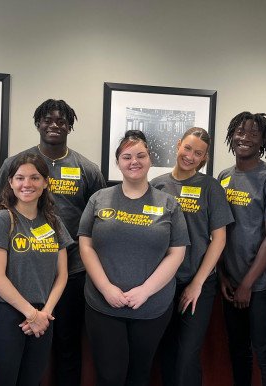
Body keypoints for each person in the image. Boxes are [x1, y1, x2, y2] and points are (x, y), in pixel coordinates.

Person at [0, 99, 105, 385]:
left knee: (66, 345)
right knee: (20, 352)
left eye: (61, 121)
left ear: (70, 125)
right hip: (22, 272)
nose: (54, 125)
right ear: (38, 124)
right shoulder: (16, 163)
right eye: (47, 120)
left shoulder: (87, 169)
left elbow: (98, 219)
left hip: (71, 272)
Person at [79, 130, 189, 385]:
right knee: (110, 376)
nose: (134, 161)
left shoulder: (168, 204)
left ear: (150, 159)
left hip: (151, 307)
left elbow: (176, 252)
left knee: (140, 376)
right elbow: (86, 245)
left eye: (141, 155)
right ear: (118, 162)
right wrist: (106, 288)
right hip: (103, 305)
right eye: (127, 156)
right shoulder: (99, 198)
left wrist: (145, 291)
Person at [152, 127, 233, 386]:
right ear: (178, 145)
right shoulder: (157, 185)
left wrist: (197, 283)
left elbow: (219, 239)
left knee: (187, 354)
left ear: (204, 158)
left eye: (198, 153)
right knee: (166, 350)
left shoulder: (211, 188)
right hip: (162, 283)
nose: (190, 156)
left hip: (198, 283)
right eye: (187, 148)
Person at [0, 153, 70, 386]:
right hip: (8, 316)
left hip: (44, 317)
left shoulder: (53, 222)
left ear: (45, 182)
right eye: (20, 178)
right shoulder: (2, 219)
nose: (27, 184)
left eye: (35, 177)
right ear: (10, 182)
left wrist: (44, 314)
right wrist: (31, 315)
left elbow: (62, 275)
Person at [216, 112, 266, 386]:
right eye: (240, 131)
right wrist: (223, 276)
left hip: (259, 285)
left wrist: (248, 283)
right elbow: (220, 231)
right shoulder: (224, 177)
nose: (244, 138)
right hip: (230, 282)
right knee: (237, 351)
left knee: (265, 352)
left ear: (263, 141)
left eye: (253, 134)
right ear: (231, 135)